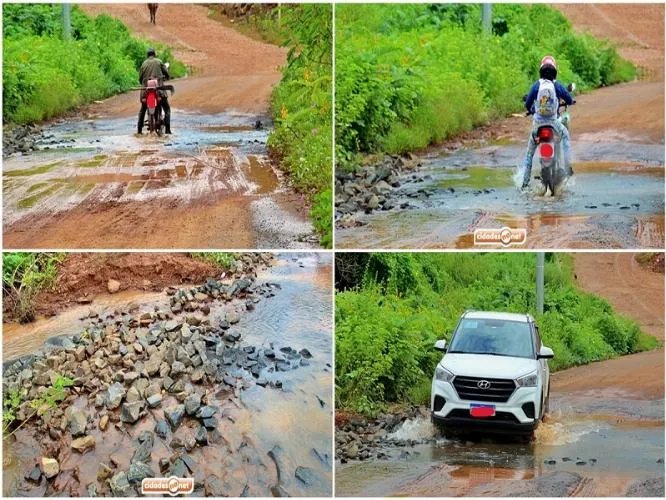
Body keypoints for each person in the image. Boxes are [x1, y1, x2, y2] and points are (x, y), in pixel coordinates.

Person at [520, 55, 575, 191]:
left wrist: (532, 109)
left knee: (529, 154)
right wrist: (570, 101)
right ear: (555, 71)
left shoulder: (537, 85)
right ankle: (568, 169)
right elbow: (568, 99)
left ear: (541, 70)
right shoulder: (556, 85)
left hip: (538, 125)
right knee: (566, 136)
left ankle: (525, 185)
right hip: (554, 124)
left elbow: (527, 104)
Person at [137, 47, 171, 134]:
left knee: (143, 110)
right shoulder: (159, 62)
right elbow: (166, 73)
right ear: (154, 55)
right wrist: (166, 77)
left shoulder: (144, 64)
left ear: (147, 56)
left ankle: (139, 130)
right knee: (167, 109)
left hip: (146, 92)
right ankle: (167, 129)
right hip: (159, 91)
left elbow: (140, 79)